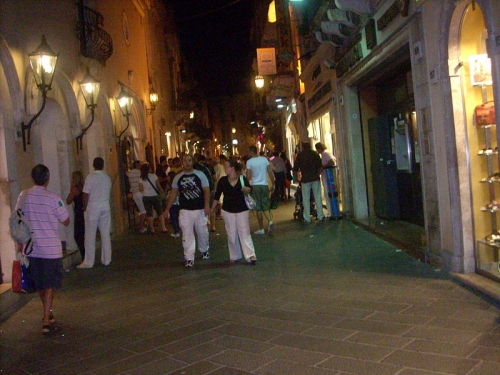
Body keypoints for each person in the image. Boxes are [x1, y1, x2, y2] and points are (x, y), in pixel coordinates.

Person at [15, 164, 70, 335]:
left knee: (40, 284)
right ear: (47, 178)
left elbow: (17, 217)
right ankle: (46, 321)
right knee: (50, 284)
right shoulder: (53, 198)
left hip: (32, 249)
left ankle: (49, 314)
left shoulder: (23, 195)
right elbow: (66, 220)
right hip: (51, 249)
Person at [164, 154, 211, 267]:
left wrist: (206, 205)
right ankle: (189, 257)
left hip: (199, 209)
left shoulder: (200, 175)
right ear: (182, 162)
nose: (187, 163)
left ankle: (204, 250)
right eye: (185, 160)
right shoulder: (178, 177)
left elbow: (206, 190)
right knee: (187, 234)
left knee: (202, 232)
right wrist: (167, 209)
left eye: (189, 160)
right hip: (185, 210)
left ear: (192, 162)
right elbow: (174, 193)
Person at [212, 157, 257, 264]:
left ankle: (250, 255)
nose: (224, 168)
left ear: (232, 168)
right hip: (228, 210)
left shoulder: (242, 179)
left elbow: (250, 189)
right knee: (231, 234)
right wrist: (212, 208)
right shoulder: (222, 181)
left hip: (242, 209)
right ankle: (234, 255)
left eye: (227, 166)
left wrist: (247, 190)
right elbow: (217, 195)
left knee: (244, 232)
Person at [77, 157, 112, 269]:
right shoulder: (107, 178)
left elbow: (85, 194)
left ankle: (88, 261)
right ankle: (107, 259)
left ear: (93, 165)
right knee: (105, 233)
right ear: (103, 165)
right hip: (105, 207)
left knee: (90, 235)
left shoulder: (90, 177)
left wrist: (84, 206)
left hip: (93, 208)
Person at [246, 145, 275, 234]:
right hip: (264, 185)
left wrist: (247, 186)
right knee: (265, 205)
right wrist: (273, 183)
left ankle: (261, 228)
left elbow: (248, 176)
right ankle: (270, 221)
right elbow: (270, 172)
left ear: (251, 152)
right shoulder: (264, 160)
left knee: (258, 208)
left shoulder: (249, 162)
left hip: (255, 185)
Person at [293, 142, 325, 223]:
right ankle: (320, 215)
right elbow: (320, 166)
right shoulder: (315, 154)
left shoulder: (300, 155)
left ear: (303, 147)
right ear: (310, 146)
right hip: (315, 178)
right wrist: (317, 174)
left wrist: (297, 177)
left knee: (305, 198)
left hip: (305, 179)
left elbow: (295, 168)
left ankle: (307, 218)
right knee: (317, 197)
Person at [139, 162, 168, 234]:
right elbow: (158, 186)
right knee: (159, 211)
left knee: (149, 213)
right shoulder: (154, 176)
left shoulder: (141, 178)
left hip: (146, 197)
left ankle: (152, 229)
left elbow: (140, 189)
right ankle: (163, 227)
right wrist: (163, 192)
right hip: (155, 196)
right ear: (149, 169)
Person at [193, 153, 216, 231]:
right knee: (211, 207)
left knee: (202, 207)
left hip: (201, 190)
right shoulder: (210, 166)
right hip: (211, 188)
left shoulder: (196, 167)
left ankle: (204, 224)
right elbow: (214, 178)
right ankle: (213, 226)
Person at [66, 171, 85, 260]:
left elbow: (68, 201)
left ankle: (84, 256)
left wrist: (71, 191)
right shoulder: (83, 187)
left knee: (77, 236)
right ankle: (85, 256)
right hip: (84, 212)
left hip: (78, 213)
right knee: (83, 235)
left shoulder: (74, 189)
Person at [315, 142, 337, 219]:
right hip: (327, 176)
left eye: (317, 149)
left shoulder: (325, 154)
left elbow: (332, 161)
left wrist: (323, 167)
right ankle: (332, 211)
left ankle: (330, 212)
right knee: (329, 194)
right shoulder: (327, 153)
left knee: (328, 194)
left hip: (327, 177)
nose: (317, 151)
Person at [127, 160, 147, 233]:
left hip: (134, 194)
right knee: (143, 211)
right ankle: (141, 227)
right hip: (140, 193)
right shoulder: (140, 173)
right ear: (138, 166)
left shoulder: (129, 173)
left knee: (141, 210)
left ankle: (143, 224)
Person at [167, 171, 181, 238]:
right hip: (179, 202)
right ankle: (179, 229)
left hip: (172, 202)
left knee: (174, 217)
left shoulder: (169, 184)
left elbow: (166, 192)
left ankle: (176, 231)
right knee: (178, 217)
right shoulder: (178, 183)